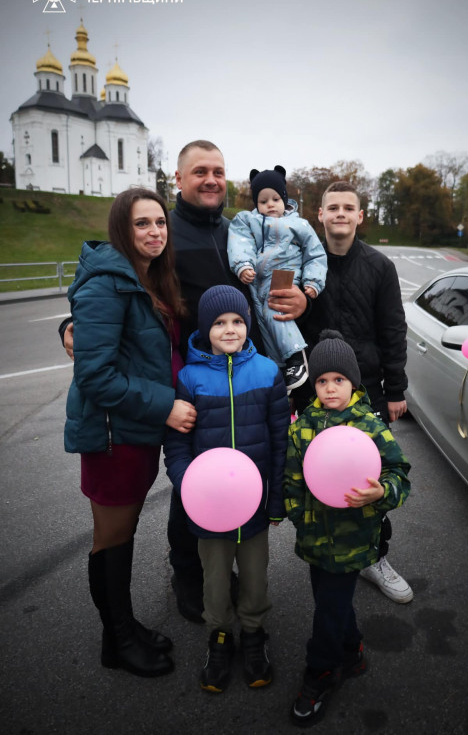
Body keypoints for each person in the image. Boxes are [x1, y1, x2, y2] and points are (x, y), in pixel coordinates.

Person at [61, 140, 308, 624]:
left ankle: (228, 566)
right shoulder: (160, 231)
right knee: (192, 484)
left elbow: (280, 268)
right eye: (199, 171)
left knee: (240, 468)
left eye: (218, 170)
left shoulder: (244, 226)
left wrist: (298, 299)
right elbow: (113, 293)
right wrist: (69, 327)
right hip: (187, 379)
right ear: (179, 179)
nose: (211, 179)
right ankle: (189, 576)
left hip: (246, 374)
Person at [64, 188, 197, 678]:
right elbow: (94, 376)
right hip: (113, 436)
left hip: (136, 432)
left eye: (160, 222)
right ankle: (118, 640)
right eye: (142, 223)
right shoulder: (107, 283)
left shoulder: (147, 279)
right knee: (113, 539)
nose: (155, 232)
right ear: (123, 228)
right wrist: (165, 407)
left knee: (122, 536)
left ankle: (121, 632)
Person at [164, 285, 290, 692]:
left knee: (255, 578)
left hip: (254, 510)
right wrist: (188, 488)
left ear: (248, 324)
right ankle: (219, 637)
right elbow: (178, 445)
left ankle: (253, 634)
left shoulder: (268, 372)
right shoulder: (190, 378)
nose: (230, 329)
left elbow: (278, 442)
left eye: (237, 321)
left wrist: (275, 500)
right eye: (219, 323)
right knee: (214, 580)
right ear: (205, 328)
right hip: (209, 510)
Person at [292, 180, 413, 604]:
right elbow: (284, 326)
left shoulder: (380, 267)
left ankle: (375, 557)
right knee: (313, 474)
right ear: (320, 216)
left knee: (371, 476)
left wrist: (396, 388)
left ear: (360, 216)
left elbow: (393, 330)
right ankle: (323, 548)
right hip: (313, 392)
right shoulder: (306, 266)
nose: (340, 213)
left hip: (368, 393)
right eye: (333, 207)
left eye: (349, 207)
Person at [284, 330, 411, 726]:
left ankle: (320, 672)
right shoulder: (303, 426)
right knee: (329, 599)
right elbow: (292, 478)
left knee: (327, 608)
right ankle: (352, 651)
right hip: (314, 540)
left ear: (353, 383)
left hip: (354, 540)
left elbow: (399, 474)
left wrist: (381, 494)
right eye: (322, 381)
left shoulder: (370, 427)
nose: (329, 388)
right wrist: (295, 515)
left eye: (338, 380)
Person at [228, 165, 327, 392]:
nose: (270, 205)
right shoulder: (247, 221)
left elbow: (315, 255)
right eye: (263, 201)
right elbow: (239, 243)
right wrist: (243, 265)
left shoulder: (299, 224)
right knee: (262, 321)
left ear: (284, 199)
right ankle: (281, 370)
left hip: (286, 276)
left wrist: (313, 282)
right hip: (257, 281)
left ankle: (295, 355)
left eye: (275, 199)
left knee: (275, 311)